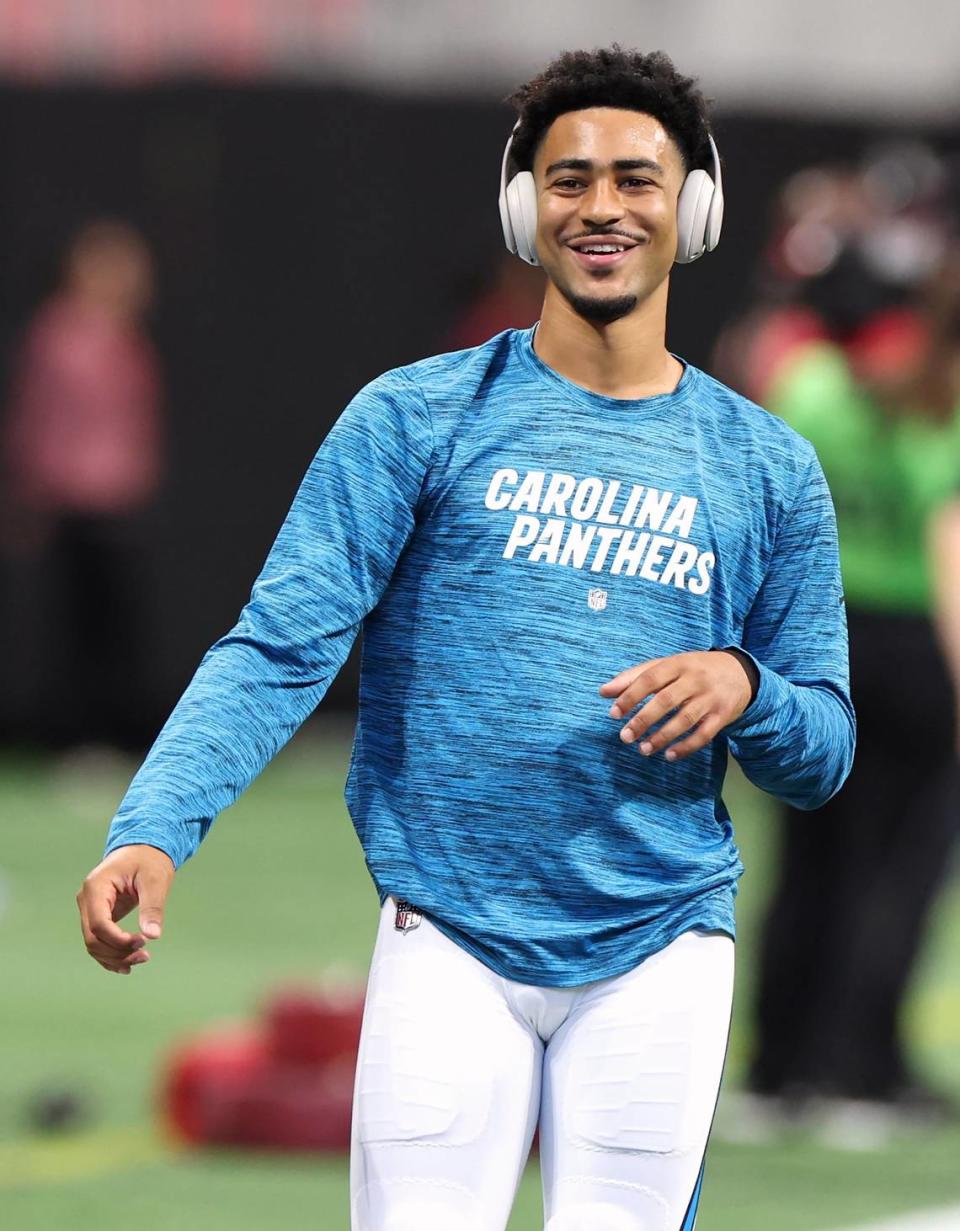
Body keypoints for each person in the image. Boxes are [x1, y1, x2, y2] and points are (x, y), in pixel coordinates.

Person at [76, 47, 855, 1230]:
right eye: (570, 178)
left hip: (661, 953)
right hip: (445, 939)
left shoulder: (769, 466)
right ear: (522, 204)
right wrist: (157, 824)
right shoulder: (413, 418)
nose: (602, 207)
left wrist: (748, 685)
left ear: (694, 207)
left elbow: (827, 747)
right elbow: (279, 645)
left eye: (638, 180)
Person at [1, 217, 164, 750]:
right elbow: (38, 419)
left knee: (121, 628)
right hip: (74, 502)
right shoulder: (60, 334)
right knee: (76, 628)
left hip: (122, 503)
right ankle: (75, 741)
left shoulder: (127, 337)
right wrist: (29, 494)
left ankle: (123, 739)